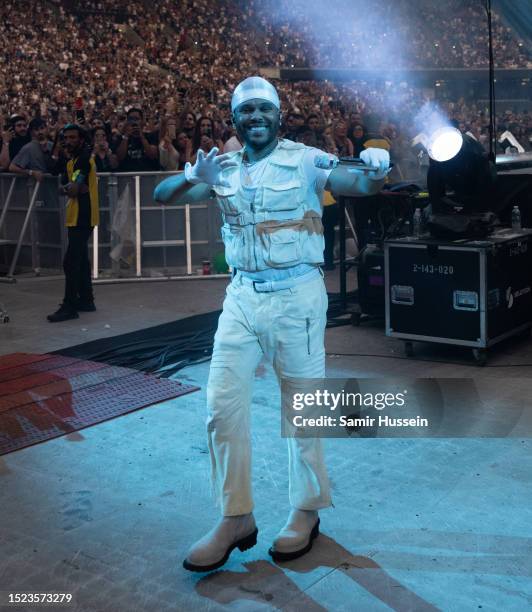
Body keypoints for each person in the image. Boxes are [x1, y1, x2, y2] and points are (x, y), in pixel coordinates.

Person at [154, 76, 389, 572]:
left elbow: (359, 184)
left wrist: (376, 169)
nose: (255, 117)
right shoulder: (221, 168)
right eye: (247, 111)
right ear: (235, 119)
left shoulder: (305, 159)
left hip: (296, 295)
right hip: (240, 296)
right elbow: (163, 195)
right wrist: (193, 176)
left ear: (278, 115)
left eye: (265, 109)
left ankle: (305, 511)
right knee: (221, 406)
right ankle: (234, 516)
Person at [47, 124, 99, 322]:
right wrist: (67, 188)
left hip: (82, 215)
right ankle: (86, 299)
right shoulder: (73, 159)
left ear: (81, 139)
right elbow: (63, 182)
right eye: (66, 138)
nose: (68, 141)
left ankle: (69, 306)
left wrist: (68, 188)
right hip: (75, 214)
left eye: (72, 138)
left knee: (71, 261)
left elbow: (73, 189)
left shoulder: (83, 160)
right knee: (81, 259)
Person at [114, 107, 159, 172]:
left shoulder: (150, 136)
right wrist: (126, 135)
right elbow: (120, 157)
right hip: (127, 176)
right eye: (131, 119)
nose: (134, 121)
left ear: (142, 121)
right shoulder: (121, 138)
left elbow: (152, 155)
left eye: (136, 119)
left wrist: (142, 136)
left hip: (147, 175)